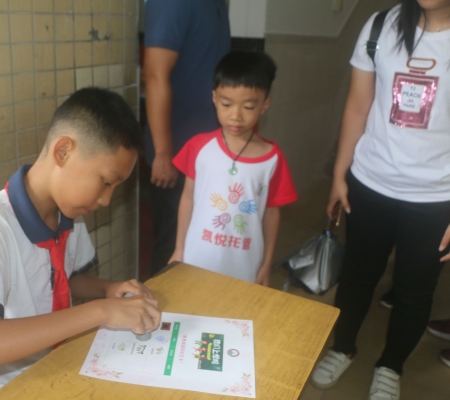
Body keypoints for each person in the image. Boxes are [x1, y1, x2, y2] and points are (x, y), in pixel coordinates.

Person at [0, 88, 162, 399]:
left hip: (60, 361)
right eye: (106, 182)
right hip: (9, 386)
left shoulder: (70, 212)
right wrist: (100, 311)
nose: (106, 200)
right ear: (63, 151)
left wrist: (108, 290)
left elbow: (67, 279)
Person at [310, 1, 450, 399]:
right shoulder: (380, 26)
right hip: (371, 183)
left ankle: (391, 365)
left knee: (415, 291)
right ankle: (343, 347)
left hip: (437, 197)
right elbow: (358, 105)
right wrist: (340, 173)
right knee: (357, 276)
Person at [167, 51, 298, 285]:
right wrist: (179, 248)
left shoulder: (272, 158)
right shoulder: (198, 147)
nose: (235, 116)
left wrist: (266, 264)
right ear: (214, 98)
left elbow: (272, 213)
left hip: (245, 265)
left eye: (248, 107)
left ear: (264, 105)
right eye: (226, 104)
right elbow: (187, 198)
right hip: (197, 258)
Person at [143, 0, 231, 275]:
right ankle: (159, 304)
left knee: (204, 244)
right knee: (174, 250)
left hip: (210, 152)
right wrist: (163, 153)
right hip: (177, 156)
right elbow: (155, 74)